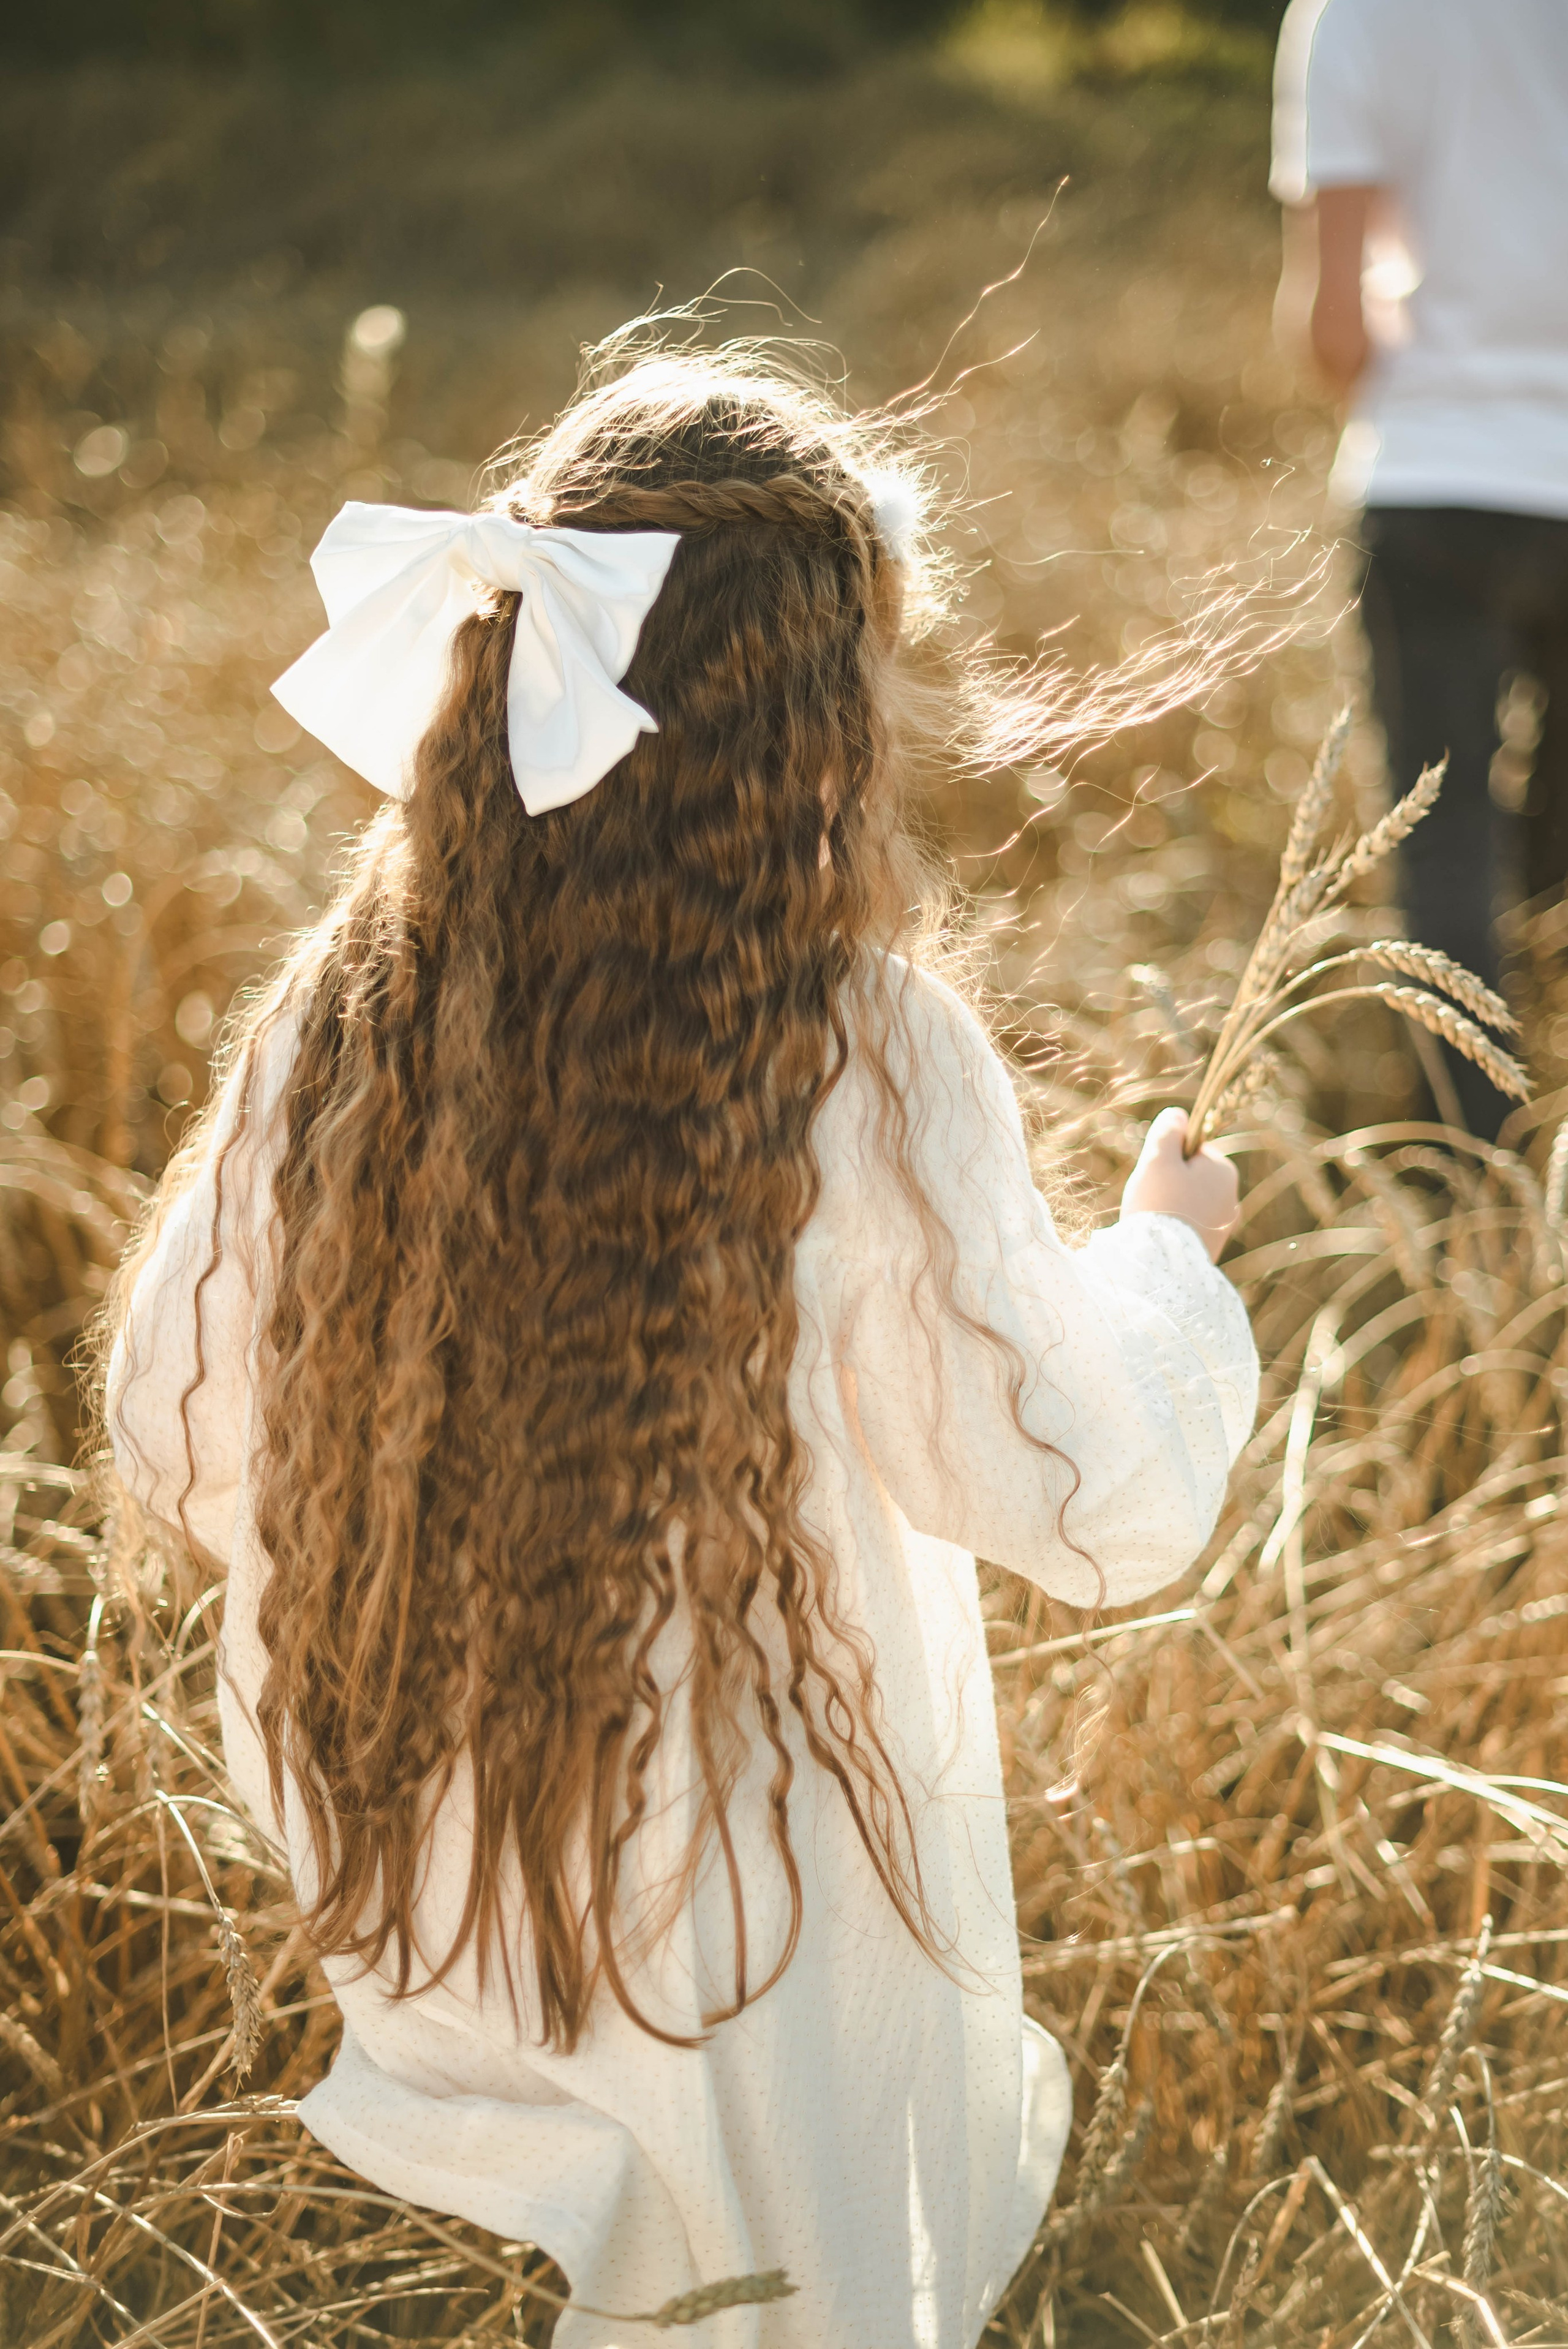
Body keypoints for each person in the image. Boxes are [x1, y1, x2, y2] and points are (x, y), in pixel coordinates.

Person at [102, 347, 1256, 2349]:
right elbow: (1089, 1494)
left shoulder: (354, 1006)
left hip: (462, 1844)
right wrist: (1165, 1267)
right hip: (765, 1883)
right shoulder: (862, 1052)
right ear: (816, 714)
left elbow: (172, 1418)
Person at [1272, 0, 1568, 1139]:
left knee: (1440, 843)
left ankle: (1463, 1179)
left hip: (1439, 478)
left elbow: (1335, 333)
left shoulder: (1357, 17)